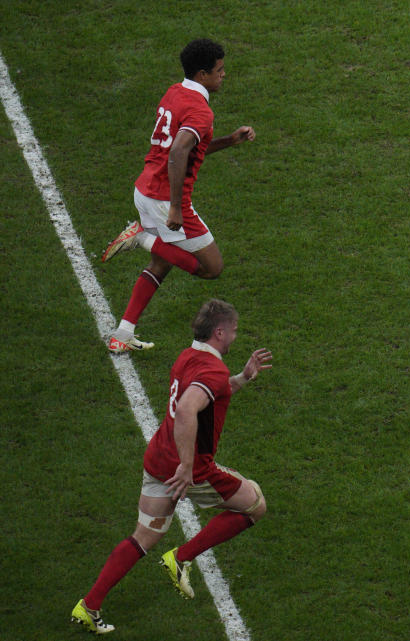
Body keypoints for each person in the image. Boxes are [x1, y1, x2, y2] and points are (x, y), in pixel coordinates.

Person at [71, 299, 272, 634]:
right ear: (220, 332)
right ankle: (180, 558)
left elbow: (210, 396)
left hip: (159, 460)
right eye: (234, 331)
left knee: (144, 537)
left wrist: (243, 378)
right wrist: (189, 467)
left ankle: (89, 605)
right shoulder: (211, 370)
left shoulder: (188, 357)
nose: (236, 336)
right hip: (189, 470)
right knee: (255, 505)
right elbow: (188, 409)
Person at [100, 38, 256, 353]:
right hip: (162, 200)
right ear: (202, 74)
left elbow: (187, 150)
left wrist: (229, 141)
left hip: (144, 189)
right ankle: (139, 237)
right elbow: (179, 151)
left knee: (162, 262)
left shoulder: (175, 92)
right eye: (219, 70)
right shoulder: (201, 111)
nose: (224, 75)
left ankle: (123, 334)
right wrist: (175, 208)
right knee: (212, 268)